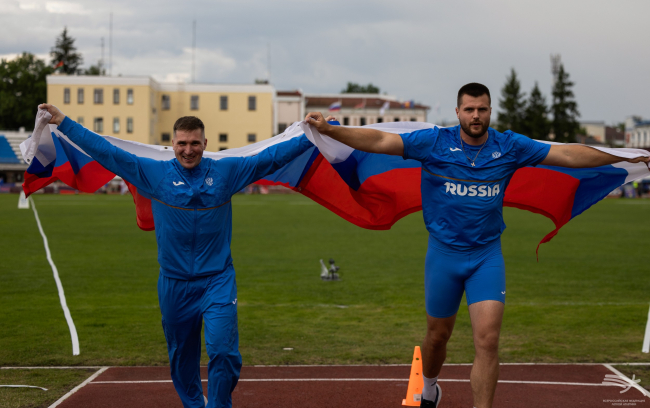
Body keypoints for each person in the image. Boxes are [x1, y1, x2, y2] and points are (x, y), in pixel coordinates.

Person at [304, 83, 649, 408]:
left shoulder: (509, 146)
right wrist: (332, 131)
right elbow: (380, 140)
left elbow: (568, 154)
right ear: (457, 111)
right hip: (443, 256)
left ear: (490, 111)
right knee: (437, 337)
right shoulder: (433, 143)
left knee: (487, 340)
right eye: (469, 109)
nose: (476, 116)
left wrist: (618, 155)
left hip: (486, 257)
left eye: (482, 109)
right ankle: (429, 387)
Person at [38, 103, 313, 408]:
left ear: (205, 143)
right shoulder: (154, 173)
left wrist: (314, 135)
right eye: (182, 143)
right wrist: (64, 122)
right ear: (172, 144)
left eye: (195, 143)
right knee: (182, 359)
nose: (188, 150)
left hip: (218, 280)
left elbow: (270, 158)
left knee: (224, 352)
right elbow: (107, 152)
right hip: (174, 284)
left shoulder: (227, 172)